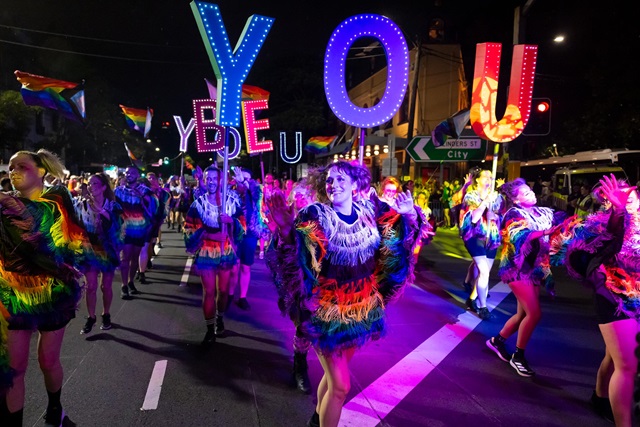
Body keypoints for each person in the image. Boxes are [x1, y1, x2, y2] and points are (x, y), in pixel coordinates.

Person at [266, 161, 425, 427]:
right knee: (341, 386)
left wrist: (407, 215)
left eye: (341, 180)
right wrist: (285, 230)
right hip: (326, 312)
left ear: (355, 185)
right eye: (329, 180)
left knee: (332, 381)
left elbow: (397, 242)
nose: (334, 185)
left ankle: (317, 419)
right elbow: (299, 259)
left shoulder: (371, 210)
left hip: (360, 309)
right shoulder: (315, 214)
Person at [0, 149, 89, 427]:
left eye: (21, 166)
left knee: (48, 361)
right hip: (15, 294)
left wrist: (76, 260)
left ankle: (55, 409)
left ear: (40, 171)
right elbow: (20, 241)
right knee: (14, 370)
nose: (13, 172)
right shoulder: (4, 205)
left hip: (53, 291)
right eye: (10, 167)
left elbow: (66, 231)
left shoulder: (59, 197)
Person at [551, 175, 640, 426]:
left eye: (629, 192)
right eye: (618, 196)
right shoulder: (603, 224)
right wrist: (619, 212)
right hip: (613, 296)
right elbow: (609, 239)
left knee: (613, 358)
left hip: (638, 297)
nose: (627, 197)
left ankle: (599, 397)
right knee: (628, 366)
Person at [486, 178, 564, 377]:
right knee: (534, 313)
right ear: (517, 200)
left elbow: (562, 222)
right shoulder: (513, 214)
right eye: (526, 193)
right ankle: (518, 357)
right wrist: (546, 232)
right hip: (517, 269)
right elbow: (519, 237)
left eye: (531, 190)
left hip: (535, 269)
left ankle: (497, 341)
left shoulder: (543, 212)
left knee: (523, 314)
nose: (532, 193)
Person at [183, 166, 244, 346]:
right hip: (206, 253)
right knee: (209, 292)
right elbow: (188, 231)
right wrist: (208, 234)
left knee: (223, 291)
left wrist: (231, 222)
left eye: (214, 179)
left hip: (225, 251)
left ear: (220, 181)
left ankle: (220, 318)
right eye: (208, 178)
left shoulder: (231, 202)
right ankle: (210, 329)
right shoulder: (198, 204)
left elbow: (242, 228)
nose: (211, 182)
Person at [74, 173, 124, 334]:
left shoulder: (113, 206)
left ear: (103, 187)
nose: (90, 186)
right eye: (89, 183)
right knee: (91, 286)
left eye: (95, 184)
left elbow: (116, 227)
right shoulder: (81, 205)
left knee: (105, 286)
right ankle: (91, 317)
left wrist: (101, 212)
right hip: (89, 250)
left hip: (107, 250)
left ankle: (106, 314)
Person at [459, 168, 504, 319]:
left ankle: (471, 299)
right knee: (483, 271)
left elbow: (500, 217)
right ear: (477, 179)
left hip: (491, 236)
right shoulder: (471, 195)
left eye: (491, 177)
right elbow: (474, 218)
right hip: (474, 235)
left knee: (485, 273)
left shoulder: (497, 198)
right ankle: (482, 307)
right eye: (485, 177)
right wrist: (485, 202)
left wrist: (495, 216)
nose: (489, 180)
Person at [114, 166, 158, 299]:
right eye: (127, 172)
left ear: (137, 175)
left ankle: (131, 281)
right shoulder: (118, 191)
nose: (129, 175)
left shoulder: (145, 191)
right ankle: (123, 285)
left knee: (135, 258)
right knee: (125, 258)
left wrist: (143, 199)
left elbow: (153, 210)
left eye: (132, 173)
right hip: (125, 230)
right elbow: (113, 209)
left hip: (139, 230)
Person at [228, 167, 262, 310]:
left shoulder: (255, 193)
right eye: (241, 178)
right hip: (234, 233)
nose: (243, 181)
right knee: (233, 267)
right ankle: (229, 295)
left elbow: (255, 192)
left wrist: (247, 182)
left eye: (247, 179)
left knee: (245, 267)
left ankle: (242, 297)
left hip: (250, 234)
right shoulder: (231, 194)